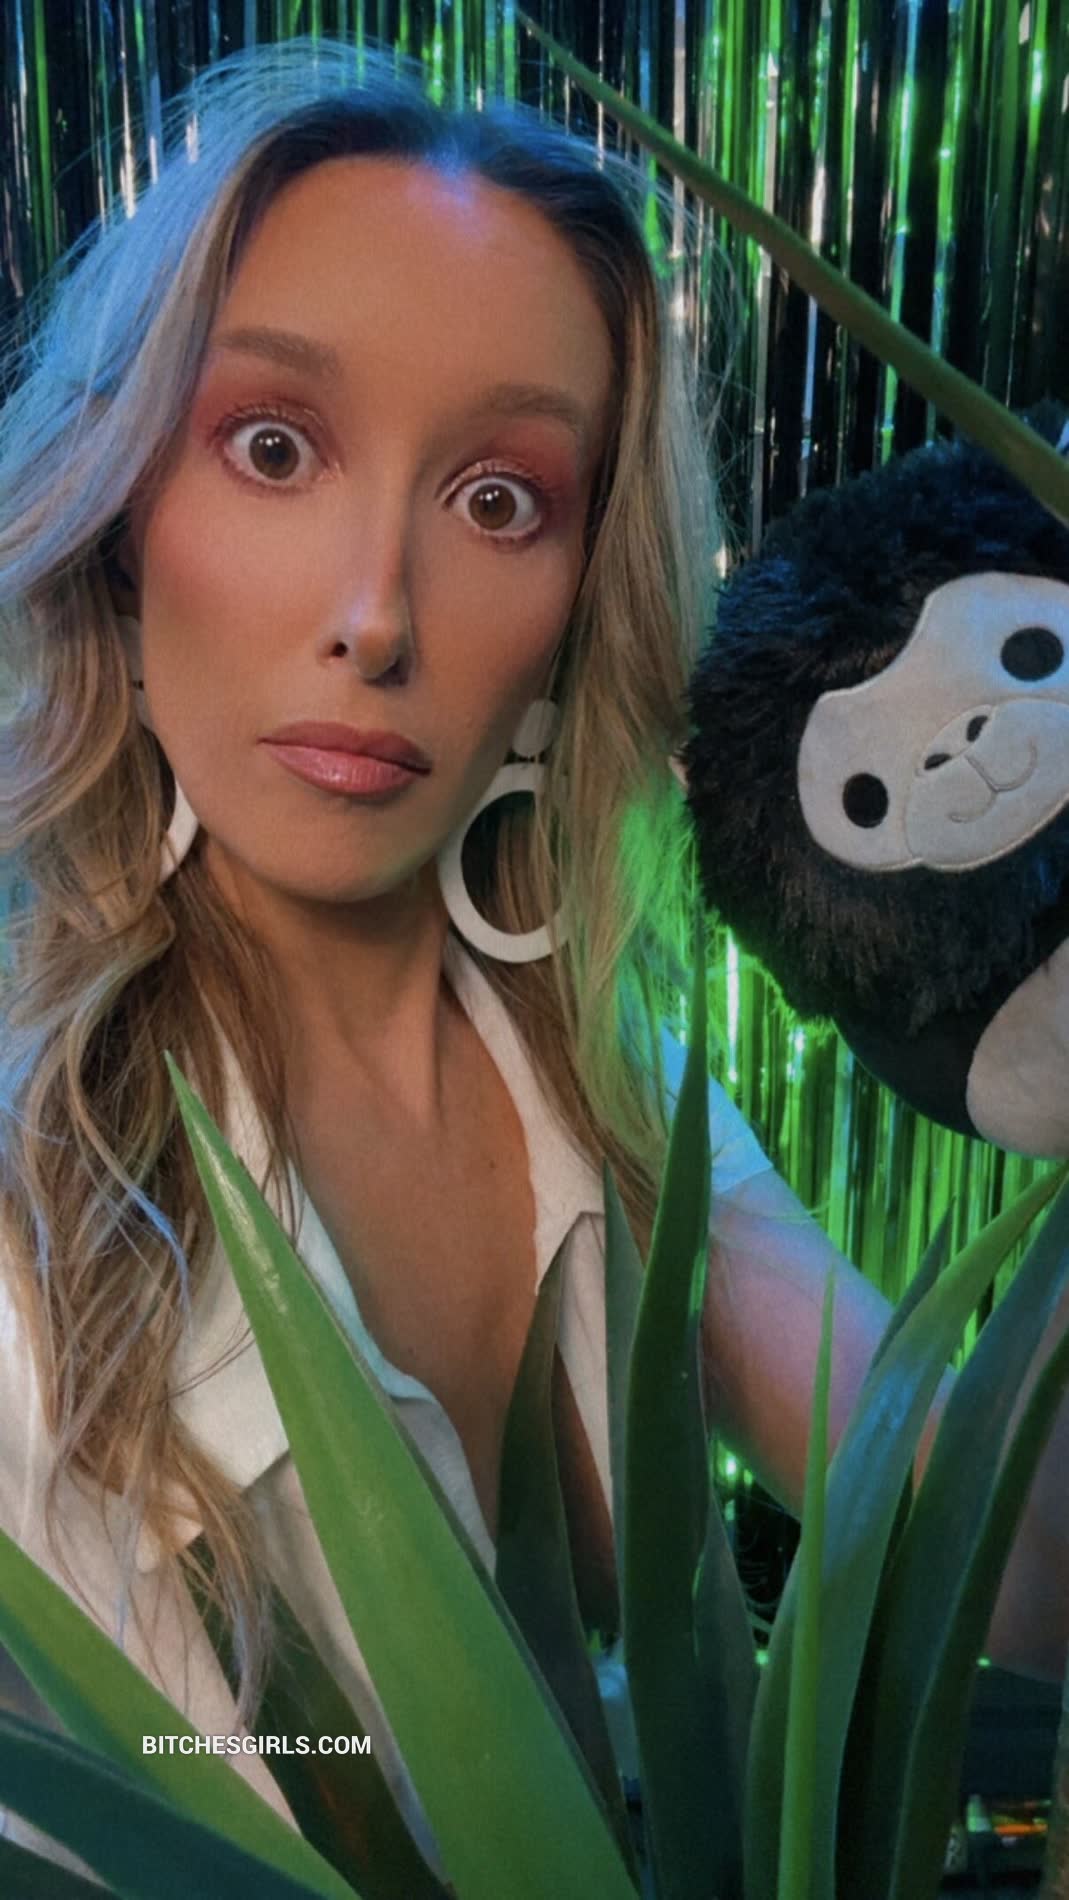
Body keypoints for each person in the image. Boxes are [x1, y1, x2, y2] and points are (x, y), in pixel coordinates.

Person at [0, 34, 1064, 1889]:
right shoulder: (28, 1207)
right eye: (273, 447)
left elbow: (1020, 1570)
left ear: (582, 609)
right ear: (119, 525)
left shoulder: (606, 1085)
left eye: (500, 498)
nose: (375, 616)